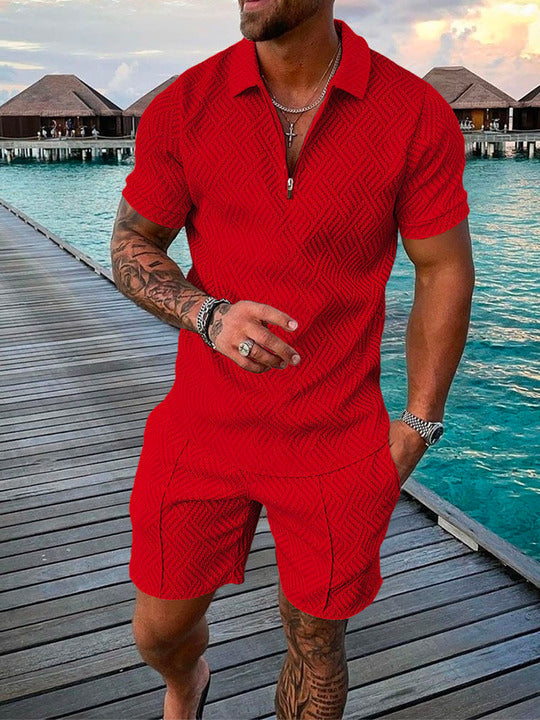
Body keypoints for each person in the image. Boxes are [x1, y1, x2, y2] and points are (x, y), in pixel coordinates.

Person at [112, 2, 474, 718]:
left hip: (335, 438)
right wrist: (208, 315)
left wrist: (419, 424)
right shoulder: (185, 106)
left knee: (316, 642)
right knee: (158, 632)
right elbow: (131, 244)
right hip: (203, 427)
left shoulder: (413, 113)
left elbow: (443, 268)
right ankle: (187, 682)